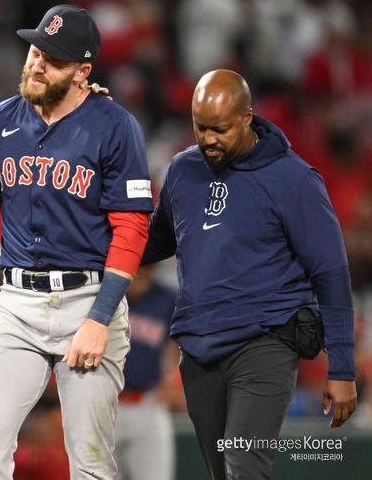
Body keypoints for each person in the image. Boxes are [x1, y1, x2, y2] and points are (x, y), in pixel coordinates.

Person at [0, 5, 154, 479]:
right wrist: (3, 262)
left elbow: (131, 228)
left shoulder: (115, 126)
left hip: (89, 299)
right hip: (16, 305)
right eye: (35, 50)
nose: (36, 63)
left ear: (83, 71)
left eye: (53, 59)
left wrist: (98, 317)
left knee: (90, 460)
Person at [142, 69, 357, 479]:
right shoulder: (182, 170)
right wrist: (96, 251)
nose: (207, 139)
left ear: (246, 118)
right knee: (221, 471)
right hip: (199, 348)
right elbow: (158, 242)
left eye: (219, 129)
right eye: (199, 127)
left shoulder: (294, 180)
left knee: (245, 465)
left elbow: (331, 272)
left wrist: (343, 367)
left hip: (265, 344)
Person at [114, 265, 177, 480]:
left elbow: (180, 343)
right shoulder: (103, 293)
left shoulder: (167, 298)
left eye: (145, 270)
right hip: (102, 404)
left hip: (147, 403)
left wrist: (173, 380)